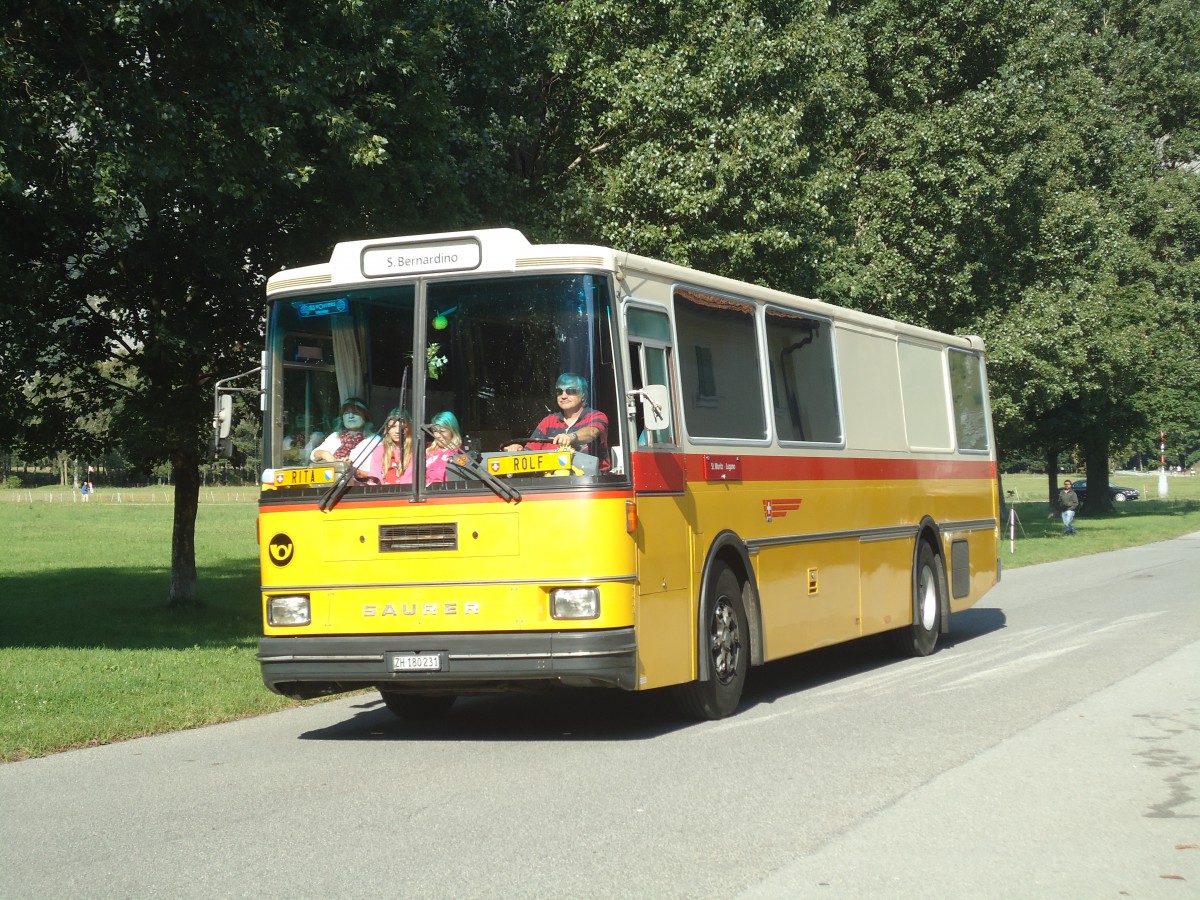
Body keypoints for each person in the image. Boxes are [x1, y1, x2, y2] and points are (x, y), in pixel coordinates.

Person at [503, 372, 610, 471]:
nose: (563, 396)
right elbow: (531, 452)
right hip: (553, 484)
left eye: (571, 391)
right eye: (559, 391)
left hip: (590, 482)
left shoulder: (596, 416)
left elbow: (592, 432)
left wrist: (571, 437)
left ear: (583, 395)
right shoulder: (548, 421)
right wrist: (518, 450)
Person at [310, 397, 378, 469]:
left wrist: (350, 467)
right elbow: (313, 455)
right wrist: (325, 454)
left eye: (356, 413)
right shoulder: (335, 436)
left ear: (365, 417)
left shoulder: (374, 440)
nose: (351, 416)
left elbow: (376, 471)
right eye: (347, 413)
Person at [366, 408, 415, 484]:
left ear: (408, 428)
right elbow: (375, 479)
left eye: (402, 427)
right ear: (387, 429)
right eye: (393, 426)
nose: (397, 431)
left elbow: (410, 480)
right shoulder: (380, 451)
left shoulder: (415, 450)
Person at [422, 411, 464, 484]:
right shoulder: (428, 451)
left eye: (442, 431)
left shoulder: (459, 453)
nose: (437, 435)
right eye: (435, 431)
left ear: (452, 431)